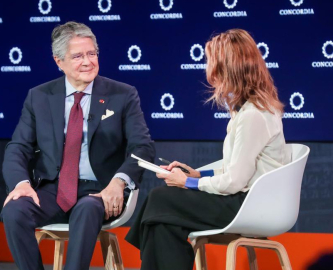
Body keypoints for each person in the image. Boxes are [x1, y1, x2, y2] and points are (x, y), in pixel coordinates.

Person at [125, 28, 292, 270]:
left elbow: (235, 182)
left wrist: (187, 183)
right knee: (163, 219)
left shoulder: (254, 115)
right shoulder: (249, 110)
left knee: (160, 201)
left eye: (212, 63)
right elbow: (237, 169)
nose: (208, 70)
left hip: (249, 205)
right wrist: (198, 175)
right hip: (245, 199)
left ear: (227, 68)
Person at [1, 21, 155, 270]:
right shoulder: (39, 96)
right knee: (14, 211)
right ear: (59, 62)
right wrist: (22, 184)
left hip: (101, 191)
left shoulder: (123, 94)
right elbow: (18, 147)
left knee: (86, 208)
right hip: (53, 190)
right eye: (78, 56)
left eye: (92, 53)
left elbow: (143, 147)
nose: (88, 61)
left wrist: (119, 181)